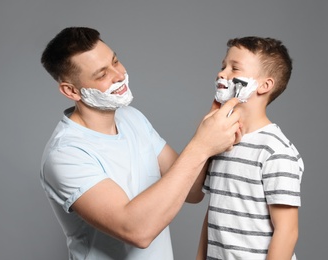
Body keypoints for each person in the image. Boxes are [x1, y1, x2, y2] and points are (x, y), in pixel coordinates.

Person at [39, 27, 242, 260]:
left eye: (115, 61)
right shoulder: (65, 154)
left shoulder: (131, 117)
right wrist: (202, 145)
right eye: (102, 74)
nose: (118, 75)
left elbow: (193, 190)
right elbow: (137, 231)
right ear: (71, 90)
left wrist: (214, 120)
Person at [193, 36, 304, 259]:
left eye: (234, 68)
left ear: (265, 86)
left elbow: (287, 231)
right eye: (223, 66)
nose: (222, 74)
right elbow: (214, 210)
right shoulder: (221, 141)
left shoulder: (275, 151)